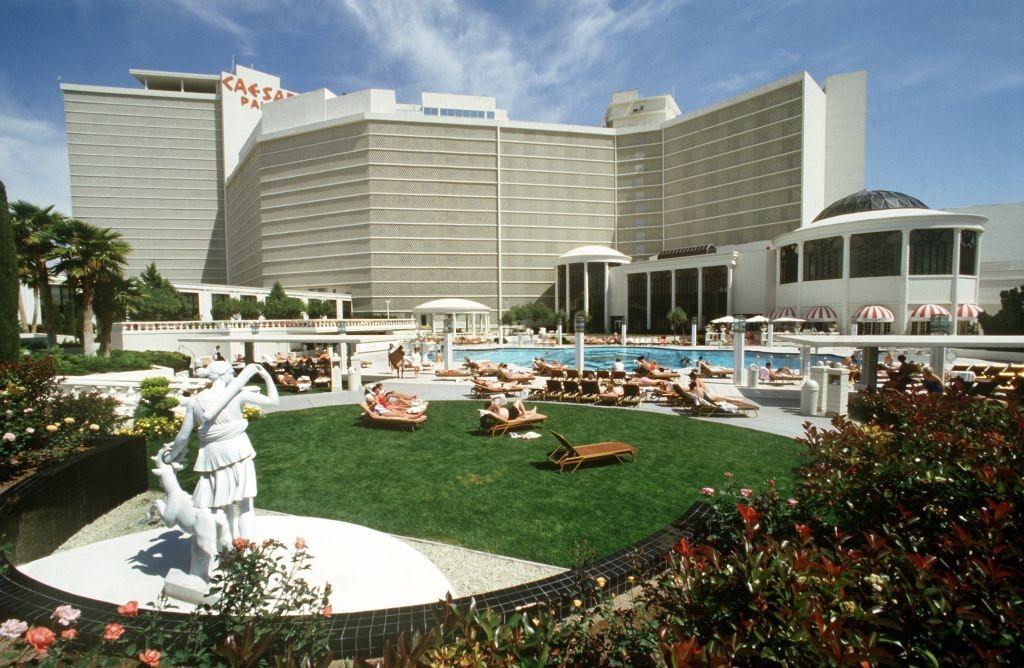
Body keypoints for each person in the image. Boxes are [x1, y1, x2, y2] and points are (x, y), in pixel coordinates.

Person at [163, 361, 279, 541]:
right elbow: (273, 401)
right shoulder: (237, 394)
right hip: (238, 450)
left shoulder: (196, 400)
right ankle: (245, 550)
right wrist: (267, 377)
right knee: (245, 504)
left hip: (212, 454)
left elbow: (184, 436)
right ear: (225, 375)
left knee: (222, 505)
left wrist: (171, 456)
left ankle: (226, 549)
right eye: (231, 374)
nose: (233, 377)